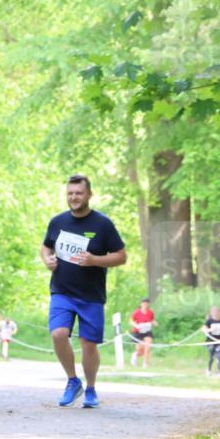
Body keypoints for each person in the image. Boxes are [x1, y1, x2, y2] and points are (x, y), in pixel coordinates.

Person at [41, 174, 126, 408]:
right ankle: (72, 381)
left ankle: (90, 389)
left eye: (78, 193)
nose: (74, 197)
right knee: (58, 334)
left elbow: (121, 256)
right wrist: (47, 259)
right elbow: (46, 247)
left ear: (89, 194)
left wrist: (95, 260)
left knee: (89, 343)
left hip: (91, 295)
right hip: (62, 291)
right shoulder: (58, 222)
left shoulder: (102, 224)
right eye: (70, 193)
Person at [129, 297, 157, 369]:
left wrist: (154, 323)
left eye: (147, 304)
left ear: (148, 304)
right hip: (138, 332)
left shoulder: (150, 312)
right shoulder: (137, 312)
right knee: (140, 351)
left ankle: (145, 364)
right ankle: (135, 355)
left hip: (147, 332)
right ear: (141, 304)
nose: (145, 305)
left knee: (148, 347)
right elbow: (131, 321)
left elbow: (152, 320)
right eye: (144, 304)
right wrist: (136, 326)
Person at [202, 306, 220, 377]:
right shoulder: (209, 321)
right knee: (211, 357)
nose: (215, 313)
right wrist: (210, 330)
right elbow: (203, 329)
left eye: (216, 312)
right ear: (211, 313)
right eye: (214, 312)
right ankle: (209, 370)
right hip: (210, 341)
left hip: (219, 342)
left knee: (219, 356)